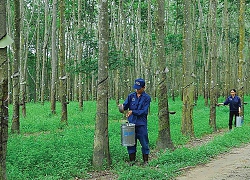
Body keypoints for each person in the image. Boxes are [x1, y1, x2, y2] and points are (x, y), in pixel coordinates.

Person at [119, 78, 151, 166]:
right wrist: (121, 107)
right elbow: (125, 106)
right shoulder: (131, 96)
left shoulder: (147, 98)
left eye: (139, 88)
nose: (137, 90)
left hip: (141, 124)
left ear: (144, 87)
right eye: (136, 88)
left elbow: (144, 111)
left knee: (144, 143)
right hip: (131, 124)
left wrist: (133, 112)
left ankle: (145, 161)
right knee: (130, 143)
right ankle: (132, 161)